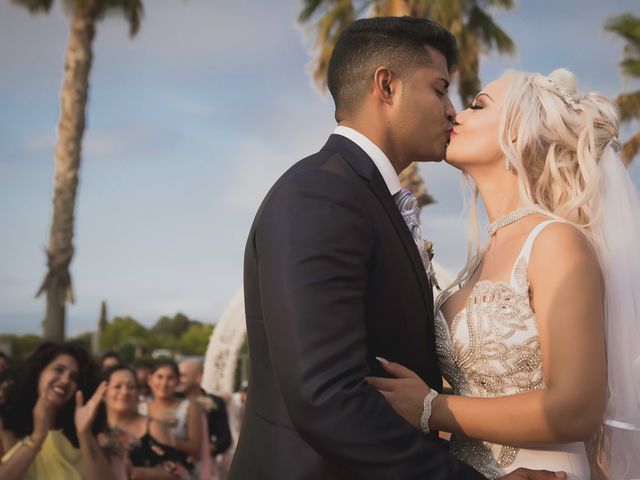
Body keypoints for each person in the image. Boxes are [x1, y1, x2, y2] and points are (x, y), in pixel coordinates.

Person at [229, 16, 561, 480]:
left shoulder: (359, 197)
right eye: (440, 89)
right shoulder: (320, 195)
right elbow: (327, 397)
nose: (451, 111)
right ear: (387, 86)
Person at [367, 69, 640, 478]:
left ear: (518, 132)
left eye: (478, 105)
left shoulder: (556, 242)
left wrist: (431, 407)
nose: (455, 114)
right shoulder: (477, 261)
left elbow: (576, 410)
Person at [0, 341, 113, 480]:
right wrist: (36, 439)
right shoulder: (5, 422)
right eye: (59, 370)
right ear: (38, 371)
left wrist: (85, 433)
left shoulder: (81, 432)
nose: (65, 380)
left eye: (74, 378)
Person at [101, 364, 189, 479]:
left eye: (131, 387)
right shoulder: (94, 429)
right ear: (103, 392)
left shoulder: (152, 427)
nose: (125, 392)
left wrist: (138, 473)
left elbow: (178, 473)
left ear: (138, 394)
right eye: (117, 386)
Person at [142, 360, 201, 465]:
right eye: (159, 377)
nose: (164, 383)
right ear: (150, 380)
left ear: (178, 382)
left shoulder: (188, 408)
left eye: (170, 378)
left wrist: (170, 440)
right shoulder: (140, 408)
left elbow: (196, 449)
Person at [178, 359, 231, 456]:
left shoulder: (214, 403)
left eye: (183, 376)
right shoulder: (173, 401)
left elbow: (225, 438)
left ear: (198, 377)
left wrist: (207, 450)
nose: (178, 380)